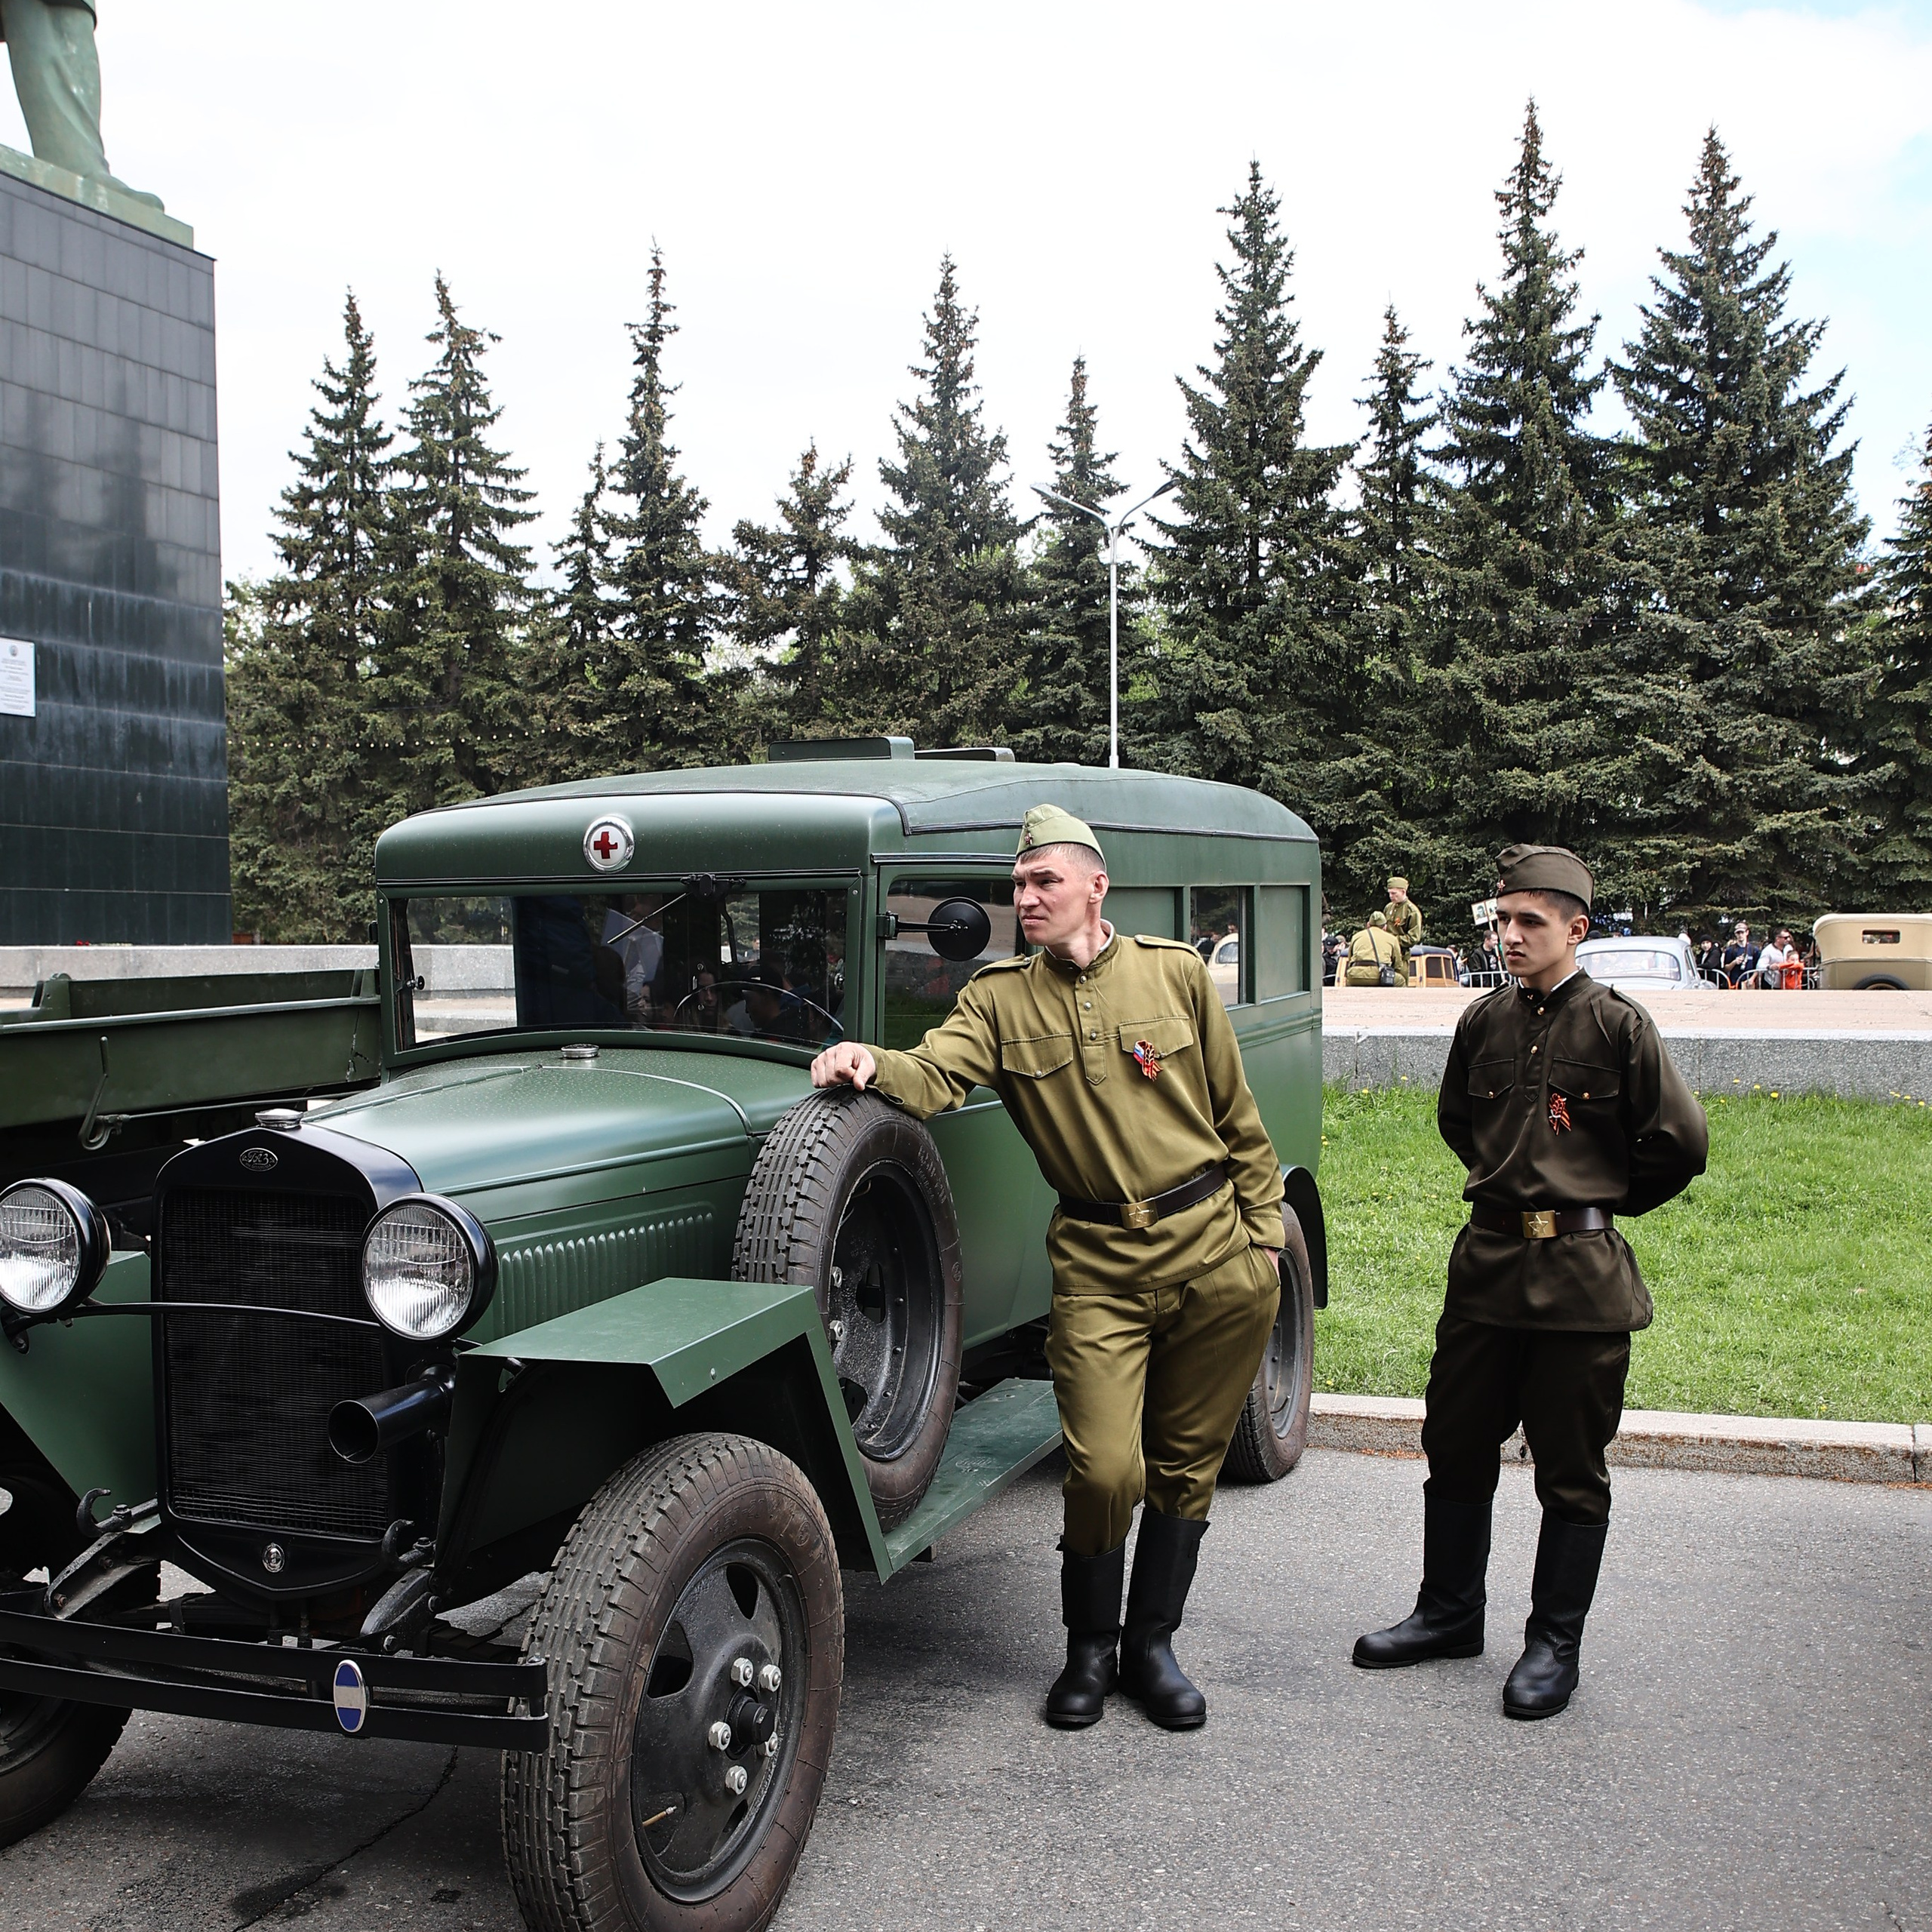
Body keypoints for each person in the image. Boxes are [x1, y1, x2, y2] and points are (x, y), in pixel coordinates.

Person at [810, 805, 1284, 1734]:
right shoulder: (998, 998)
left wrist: (1262, 1240)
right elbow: (937, 1073)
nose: (1023, 898)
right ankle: (1088, 1652)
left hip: (1216, 1249)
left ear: (1094, 886)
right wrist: (870, 1061)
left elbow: (1237, 1112)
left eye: (1042, 882)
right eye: (1018, 885)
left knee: (1185, 1465)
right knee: (1105, 1467)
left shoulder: (1175, 973)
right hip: (1101, 1262)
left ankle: (1153, 1648)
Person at [1353, 844, 1708, 1719]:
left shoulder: (1618, 1027)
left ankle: (1554, 1643)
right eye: (1500, 920)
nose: (1508, 936)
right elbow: (1458, 1122)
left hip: (1581, 1282)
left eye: (1528, 923)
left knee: (1570, 1470)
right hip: (1484, 1272)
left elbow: (1679, 1143)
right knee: (1455, 1446)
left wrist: (1594, 1200)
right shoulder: (1482, 1021)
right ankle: (1447, 1613)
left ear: (1574, 929)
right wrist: (1514, 1183)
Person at [1345, 910, 1404, 986]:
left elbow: (1350, 959)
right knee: (1401, 981)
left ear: (1368, 925)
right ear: (1385, 927)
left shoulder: (1356, 936)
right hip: (1378, 975)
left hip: (1355, 975)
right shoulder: (1392, 939)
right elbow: (1398, 965)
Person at [1384, 877, 1424, 981]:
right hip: (1385, 955)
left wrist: (1393, 941)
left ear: (1403, 892)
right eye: (1389, 893)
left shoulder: (1412, 911)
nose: (1391, 896)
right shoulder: (1388, 908)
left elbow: (1414, 938)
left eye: (1394, 893)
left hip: (1401, 957)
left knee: (1399, 986)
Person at [1720, 922, 1757, 988]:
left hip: (1749, 983)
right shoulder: (1730, 950)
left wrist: (1752, 979)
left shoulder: (1754, 949)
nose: (1740, 935)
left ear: (1747, 933)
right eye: (1738, 933)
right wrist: (1734, 962)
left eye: (1742, 933)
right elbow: (1726, 968)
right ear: (1735, 934)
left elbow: (1758, 968)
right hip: (1735, 983)